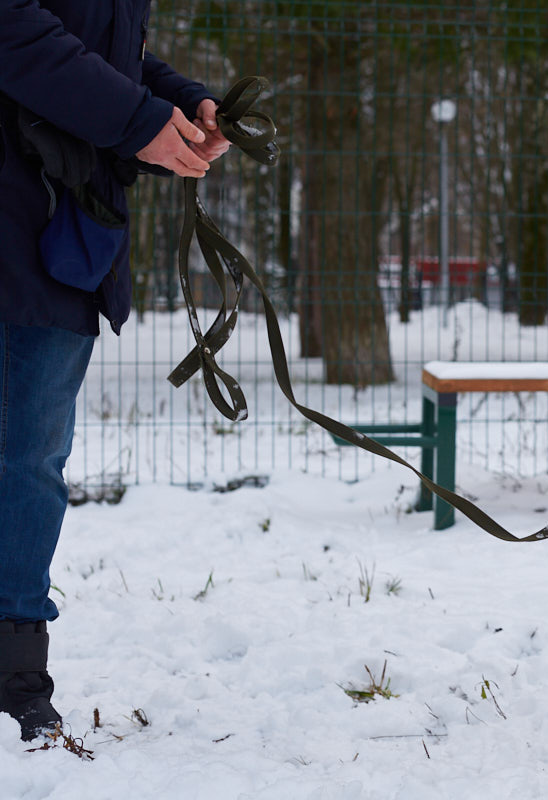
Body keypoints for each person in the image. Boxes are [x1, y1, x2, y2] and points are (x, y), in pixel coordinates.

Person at [0, 0, 231, 741]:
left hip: (63, 229)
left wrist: (176, 103)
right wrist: (137, 118)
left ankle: (13, 674)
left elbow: (97, 43)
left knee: (31, 459)